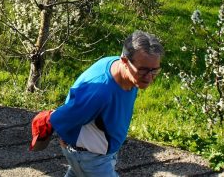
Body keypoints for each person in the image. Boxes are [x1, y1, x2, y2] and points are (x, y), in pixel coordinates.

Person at [46, 30, 164, 177]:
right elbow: (63, 117)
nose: (149, 78)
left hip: (101, 153)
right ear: (125, 61)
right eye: (143, 70)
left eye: (154, 70)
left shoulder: (126, 72)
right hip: (90, 157)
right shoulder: (100, 91)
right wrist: (68, 138)